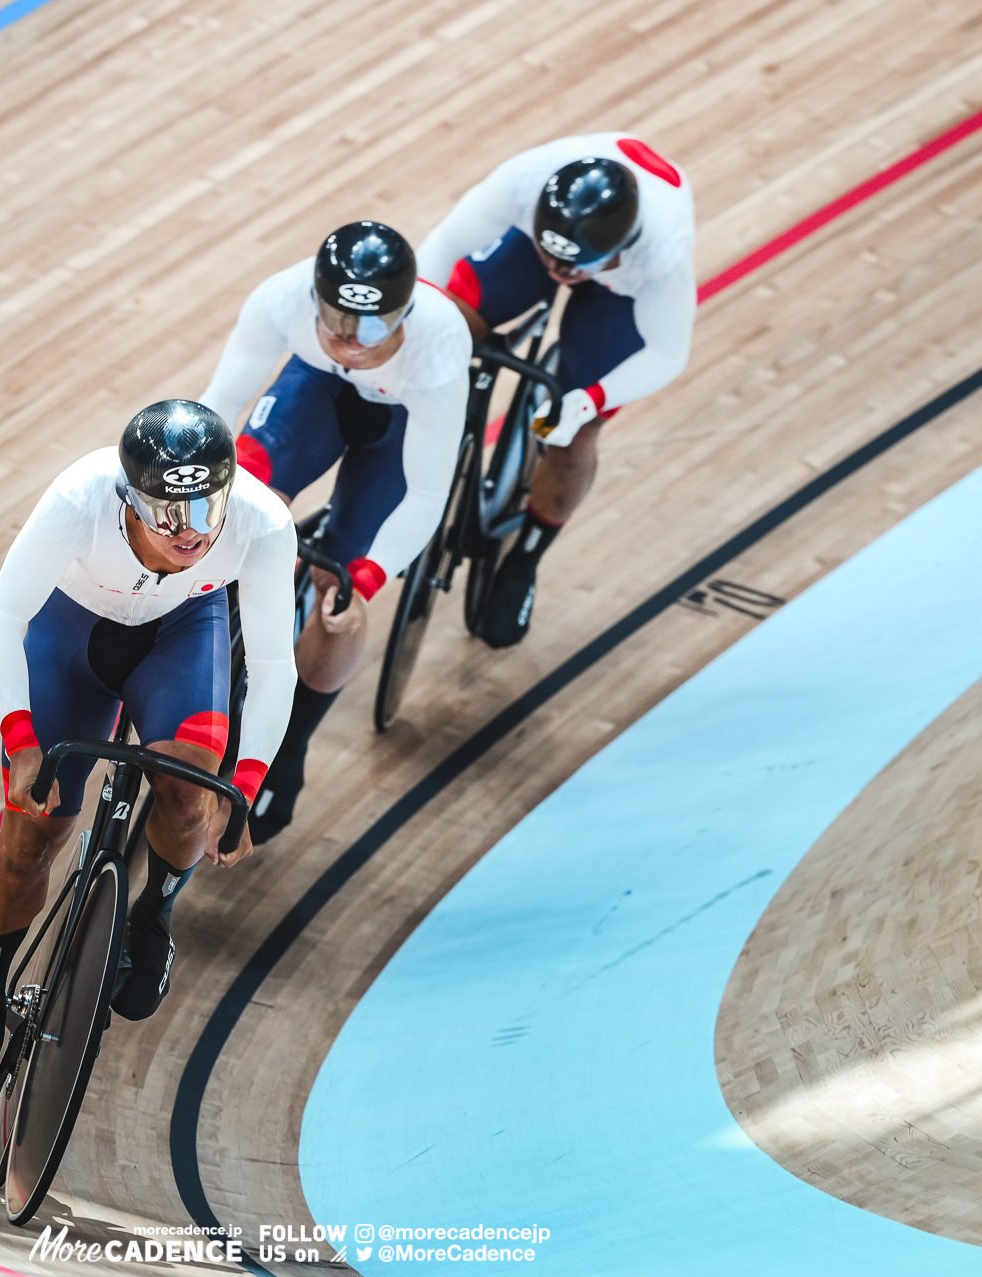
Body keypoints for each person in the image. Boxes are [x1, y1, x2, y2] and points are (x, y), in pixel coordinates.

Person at [0, 399, 297, 1135]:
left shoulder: (261, 522)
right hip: (71, 638)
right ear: (130, 500)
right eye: (169, 514)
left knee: (194, 796)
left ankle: (154, 910)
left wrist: (248, 783)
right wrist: (22, 738)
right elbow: (1, 618)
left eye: (205, 506)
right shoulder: (79, 498)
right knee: (32, 833)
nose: (191, 529)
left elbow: (273, 662)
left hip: (180, 638)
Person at [197, 220, 471, 842]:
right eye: (339, 321)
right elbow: (218, 404)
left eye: (373, 327)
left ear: (404, 313)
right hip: (314, 394)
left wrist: (368, 578)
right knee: (236, 502)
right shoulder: (282, 299)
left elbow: (428, 492)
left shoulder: (437, 344)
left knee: (338, 587)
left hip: (397, 424)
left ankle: (288, 748)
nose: (352, 340)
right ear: (316, 298)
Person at [416, 133, 695, 647]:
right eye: (552, 257)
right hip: (536, 234)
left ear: (615, 251)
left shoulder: (660, 254)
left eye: (571, 268)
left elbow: (666, 355)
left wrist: (587, 401)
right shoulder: (524, 181)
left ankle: (526, 559)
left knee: (572, 436)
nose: (558, 274)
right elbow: (441, 248)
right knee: (443, 328)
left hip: (620, 293)